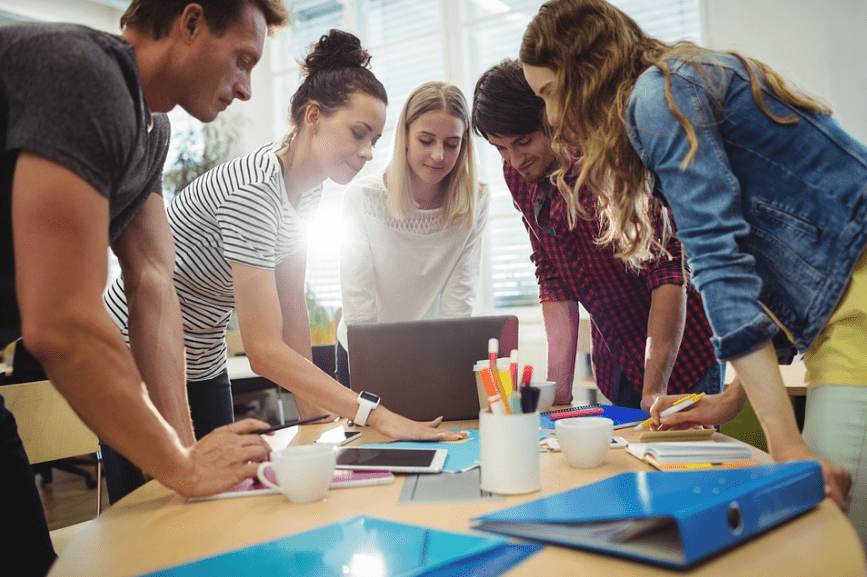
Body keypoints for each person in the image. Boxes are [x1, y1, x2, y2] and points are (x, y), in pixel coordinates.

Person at [520, 0, 865, 540]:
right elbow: (772, 271)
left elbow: (719, 262)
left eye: (547, 93)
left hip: (860, 304)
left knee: (829, 527)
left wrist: (783, 439)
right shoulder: (675, 81)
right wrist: (731, 399)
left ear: (582, 73)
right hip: (843, 309)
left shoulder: (658, 99)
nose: (553, 117)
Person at [103, 30, 467, 502]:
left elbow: (291, 305)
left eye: (375, 139)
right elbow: (263, 350)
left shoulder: (306, 190)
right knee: (155, 509)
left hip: (202, 353)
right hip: (138, 346)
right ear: (313, 117)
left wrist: (316, 420)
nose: (369, 153)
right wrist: (372, 413)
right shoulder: (254, 190)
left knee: (213, 501)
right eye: (358, 134)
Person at [0, 1, 288, 575]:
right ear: (190, 23)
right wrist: (181, 466)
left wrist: (187, 463)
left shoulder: (150, 126)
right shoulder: (84, 72)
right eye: (242, 60)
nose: (247, 88)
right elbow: (61, 324)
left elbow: (155, 284)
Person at [471, 59, 720, 410]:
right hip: (616, 361)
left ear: (551, 119)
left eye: (523, 142)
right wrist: (558, 392)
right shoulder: (519, 174)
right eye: (500, 148)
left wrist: (655, 390)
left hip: (681, 356)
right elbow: (552, 275)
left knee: (684, 462)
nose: (514, 160)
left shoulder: (609, 159)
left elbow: (666, 273)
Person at [336, 81, 489, 386]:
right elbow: (359, 304)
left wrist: (448, 372)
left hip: (431, 349)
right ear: (404, 137)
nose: (438, 156)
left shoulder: (476, 200)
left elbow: (459, 302)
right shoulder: (363, 198)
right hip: (363, 348)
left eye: (451, 143)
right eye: (426, 140)